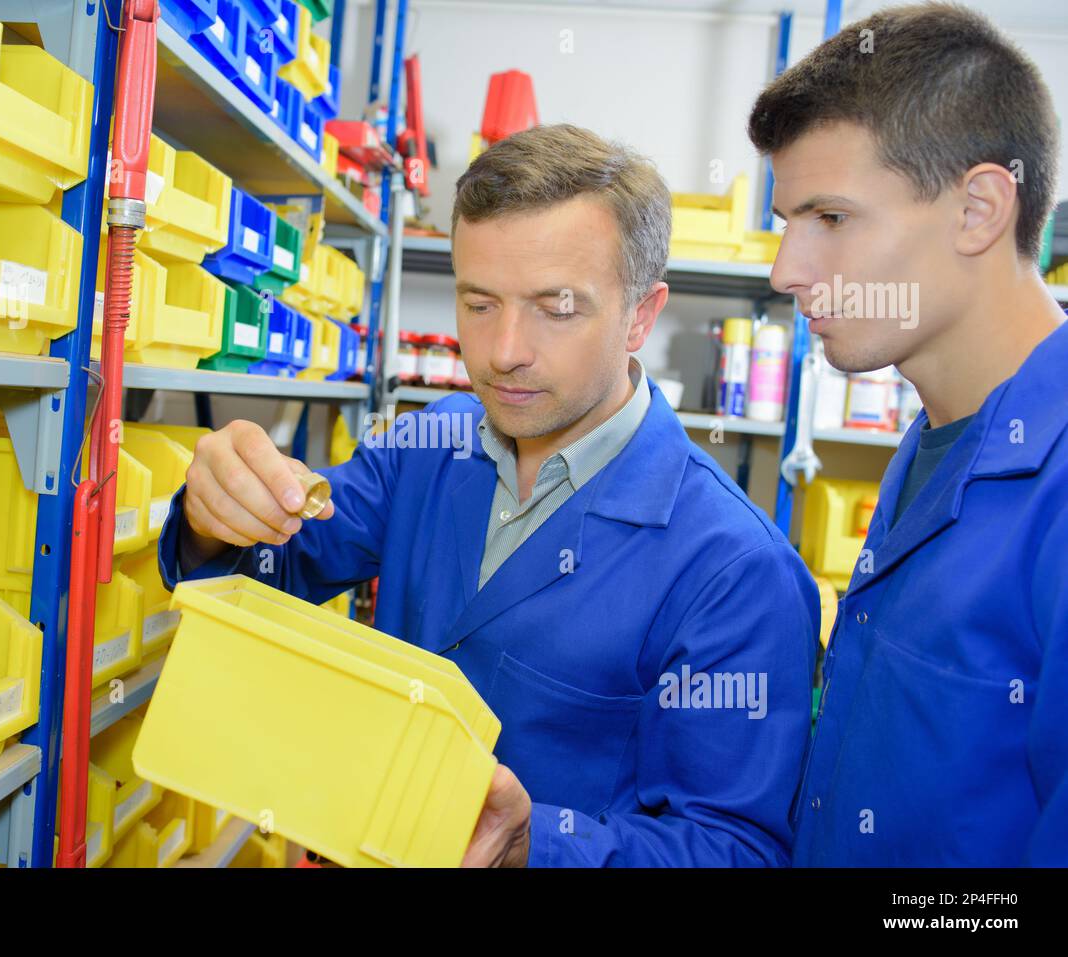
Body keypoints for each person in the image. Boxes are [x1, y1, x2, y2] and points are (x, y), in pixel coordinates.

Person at [158, 123, 818, 866]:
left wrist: (536, 845)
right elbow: (275, 567)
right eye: (478, 304)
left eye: (556, 307)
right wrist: (214, 515)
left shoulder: (735, 568)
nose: (504, 351)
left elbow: (732, 848)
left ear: (641, 313)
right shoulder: (428, 445)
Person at [749, 2, 1067, 865]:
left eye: (833, 219)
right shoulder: (935, 443)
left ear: (978, 209)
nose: (786, 271)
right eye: (788, 223)